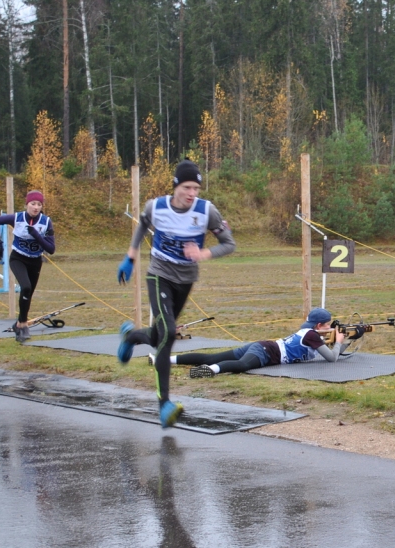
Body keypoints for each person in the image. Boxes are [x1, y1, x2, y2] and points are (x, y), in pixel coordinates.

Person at [116, 159, 236, 429]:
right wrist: (131, 256)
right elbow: (143, 225)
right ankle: (164, 404)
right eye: (187, 187)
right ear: (175, 186)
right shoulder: (156, 206)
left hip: (186, 279)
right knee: (169, 332)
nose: (192, 193)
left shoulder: (207, 211)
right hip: (158, 274)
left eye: (196, 188)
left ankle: (131, 336)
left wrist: (204, 253)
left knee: (160, 334)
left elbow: (229, 244)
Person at [151, 307, 349, 377]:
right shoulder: (313, 336)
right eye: (328, 326)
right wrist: (338, 341)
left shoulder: (310, 333)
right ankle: (212, 370)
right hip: (267, 352)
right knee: (243, 365)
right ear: (321, 325)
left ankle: (164, 360)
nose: (329, 329)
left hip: (264, 346)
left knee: (213, 355)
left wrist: (347, 341)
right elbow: (331, 358)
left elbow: (331, 351)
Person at [0, 191, 56, 342]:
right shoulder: (17, 218)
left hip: (35, 260)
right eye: (33, 204)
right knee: (25, 287)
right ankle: (24, 325)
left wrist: (37, 235)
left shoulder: (46, 222)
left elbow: (51, 249)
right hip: (18, 258)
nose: (36, 207)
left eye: (39, 204)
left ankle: (19, 324)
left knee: (28, 294)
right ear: (27, 204)